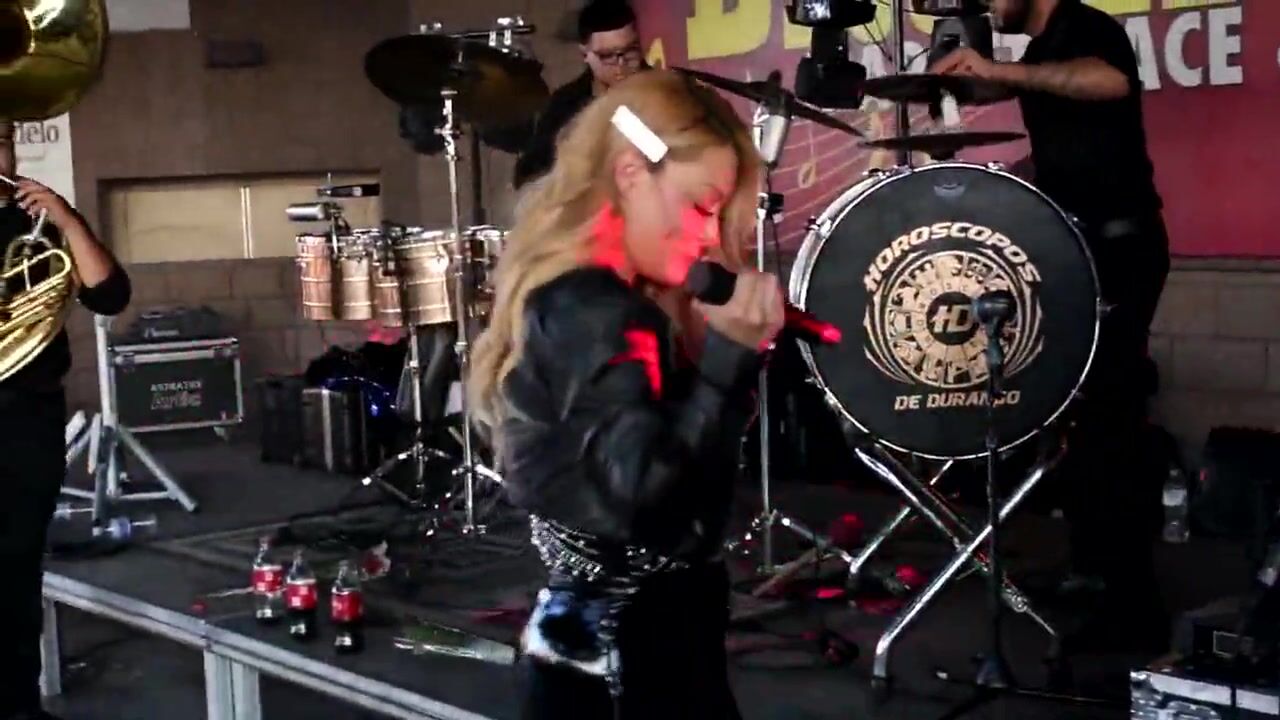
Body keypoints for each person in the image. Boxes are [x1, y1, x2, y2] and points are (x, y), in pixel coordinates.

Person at [469, 70, 780, 718]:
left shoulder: (600, 299)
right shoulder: (594, 310)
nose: (709, 234)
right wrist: (726, 363)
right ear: (632, 173)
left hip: (612, 646)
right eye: (701, 205)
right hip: (632, 663)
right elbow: (648, 505)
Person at [931, 0, 1170, 649]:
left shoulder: (1086, 30)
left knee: (1112, 425)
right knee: (1083, 425)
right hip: (1081, 251)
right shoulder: (1041, 52)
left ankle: (1135, 609)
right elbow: (1068, 147)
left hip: (1120, 248)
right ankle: (1094, 570)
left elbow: (1109, 82)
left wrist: (1001, 73)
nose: (987, 5)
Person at [0, 120, 131, 720]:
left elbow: (109, 295)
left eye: (3, 143)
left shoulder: (41, 228)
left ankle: (20, 706)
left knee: (19, 570)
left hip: (29, 420)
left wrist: (69, 217)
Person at [512, 1, 648, 190]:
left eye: (631, 51)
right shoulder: (566, 105)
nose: (621, 63)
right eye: (607, 56)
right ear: (585, 54)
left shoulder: (667, 91)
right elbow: (530, 173)